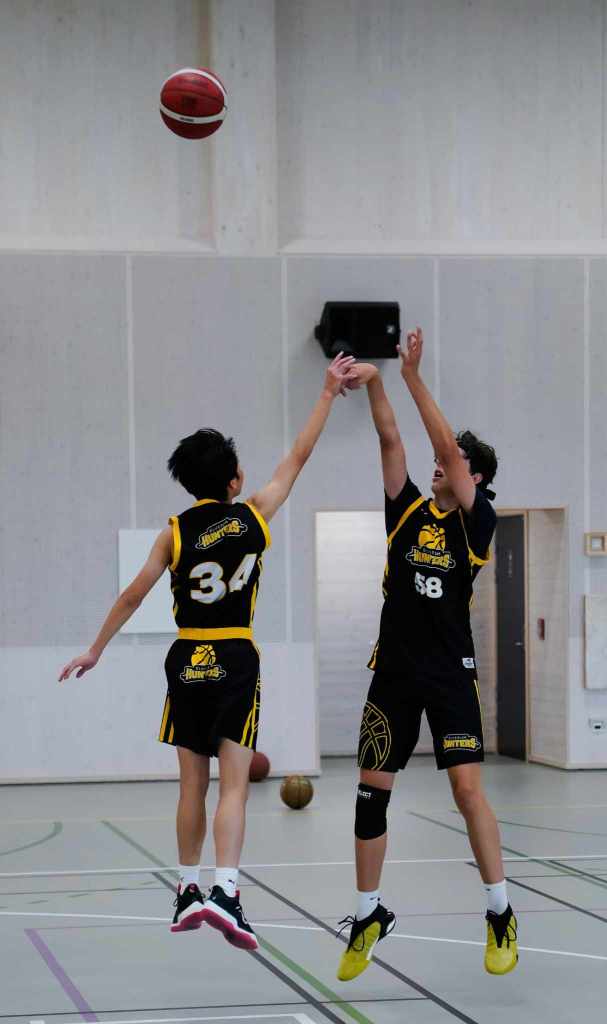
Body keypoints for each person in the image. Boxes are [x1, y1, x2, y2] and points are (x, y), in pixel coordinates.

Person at [59, 353, 356, 952]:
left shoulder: (173, 532)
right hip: (235, 656)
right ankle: (227, 892)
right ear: (234, 480)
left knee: (190, 785)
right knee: (235, 787)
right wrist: (326, 392)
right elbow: (298, 457)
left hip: (187, 658)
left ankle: (186, 889)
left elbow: (134, 594)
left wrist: (95, 649)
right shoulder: (253, 517)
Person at [336, 328, 517, 981]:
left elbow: (441, 446)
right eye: (446, 458)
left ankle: (499, 911)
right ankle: (368, 915)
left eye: (457, 460)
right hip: (392, 674)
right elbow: (392, 441)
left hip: (448, 677)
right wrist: (377, 382)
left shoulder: (477, 523)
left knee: (467, 792)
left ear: (476, 478)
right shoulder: (407, 511)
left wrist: (413, 376)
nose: (443, 463)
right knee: (369, 796)